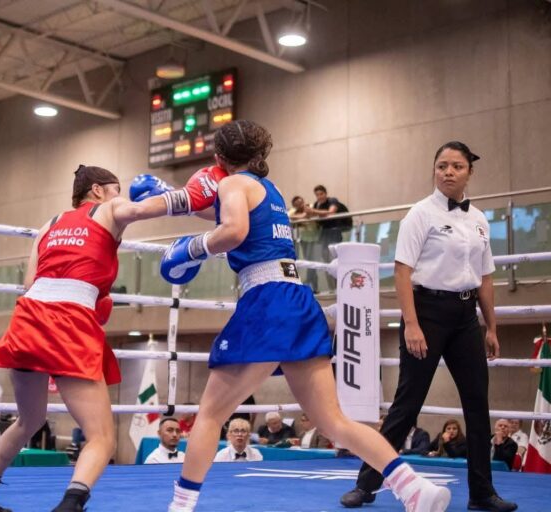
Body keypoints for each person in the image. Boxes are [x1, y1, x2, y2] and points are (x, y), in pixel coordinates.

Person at [153, 120, 450, 512]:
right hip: (297, 298)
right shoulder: (270, 191)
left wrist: (192, 249)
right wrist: (168, 197)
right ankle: (414, 487)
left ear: (219, 159)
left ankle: (180, 506)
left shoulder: (231, 184)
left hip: (266, 300)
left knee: (210, 415)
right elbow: (225, 216)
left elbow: (233, 229)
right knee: (333, 422)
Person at [0, 164, 185, 512]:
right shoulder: (110, 208)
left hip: (29, 316)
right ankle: (70, 507)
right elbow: (142, 209)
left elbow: (29, 285)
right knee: (102, 437)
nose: (120, 196)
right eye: (116, 189)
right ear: (97, 190)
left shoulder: (48, 225)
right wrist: (188, 193)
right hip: (69, 319)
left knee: (28, 421)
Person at [340, 141, 517, 512]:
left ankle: (482, 493)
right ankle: (366, 484)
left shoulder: (479, 219)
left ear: (470, 171)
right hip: (427, 313)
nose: (448, 172)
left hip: (466, 317)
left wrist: (492, 328)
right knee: (407, 404)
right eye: (441, 166)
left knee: (477, 404)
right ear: (434, 170)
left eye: (456, 166)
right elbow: (402, 272)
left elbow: (485, 278)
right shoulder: (419, 214)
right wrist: (411, 324)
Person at [305, 184, 345, 289]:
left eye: (321, 194)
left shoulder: (332, 200)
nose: (319, 196)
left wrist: (313, 212)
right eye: (317, 195)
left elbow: (331, 213)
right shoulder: (317, 204)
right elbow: (308, 216)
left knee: (336, 260)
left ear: (325, 193)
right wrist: (308, 211)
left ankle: (340, 287)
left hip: (334, 232)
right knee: (327, 261)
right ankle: (333, 288)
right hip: (323, 234)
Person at [288, 195, 319, 292]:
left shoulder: (311, 206)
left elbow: (312, 213)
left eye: (301, 202)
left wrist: (305, 214)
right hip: (302, 240)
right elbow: (289, 216)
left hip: (314, 239)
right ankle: (309, 285)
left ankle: (315, 287)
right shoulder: (293, 211)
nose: (300, 205)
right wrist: (303, 216)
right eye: (297, 204)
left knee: (313, 263)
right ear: (294, 206)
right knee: (306, 262)